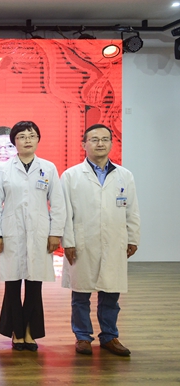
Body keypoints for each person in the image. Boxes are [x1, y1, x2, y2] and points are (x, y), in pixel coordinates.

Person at [61, 124, 140, 357]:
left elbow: (132, 210)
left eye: (105, 139)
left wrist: (133, 238)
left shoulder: (124, 175)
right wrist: (68, 241)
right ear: (84, 144)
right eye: (94, 139)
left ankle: (109, 336)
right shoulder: (71, 176)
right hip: (82, 241)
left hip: (115, 240)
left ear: (112, 143)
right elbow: (65, 212)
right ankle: (83, 337)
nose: (100, 144)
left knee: (111, 292)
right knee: (81, 294)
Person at [0, 121, 65, 351]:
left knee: (34, 285)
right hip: (10, 233)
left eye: (31, 135)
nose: (27, 140)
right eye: (21, 136)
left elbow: (58, 203)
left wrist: (55, 233)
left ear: (38, 139)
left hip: (40, 233)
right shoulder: (3, 170)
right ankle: (16, 332)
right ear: (15, 142)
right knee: (12, 285)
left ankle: (30, 331)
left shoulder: (48, 168)